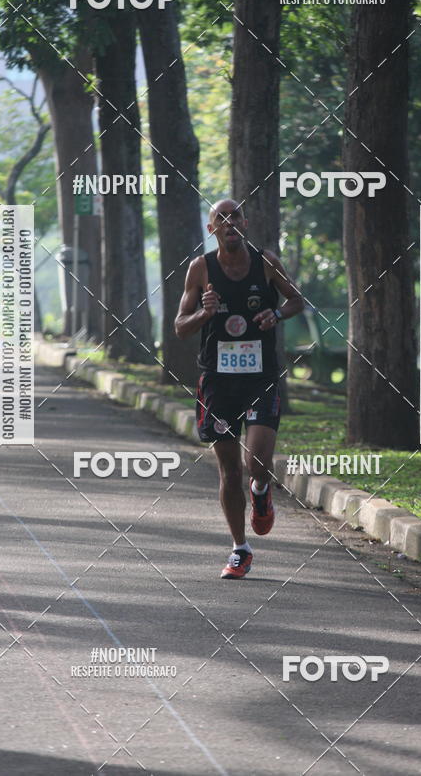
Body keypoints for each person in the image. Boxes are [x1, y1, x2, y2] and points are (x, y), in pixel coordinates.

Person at [175, 199, 304, 579]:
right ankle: (239, 549)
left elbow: (297, 299)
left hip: (260, 375)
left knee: (256, 463)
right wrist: (205, 312)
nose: (229, 223)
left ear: (245, 223)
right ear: (211, 228)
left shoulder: (266, 262)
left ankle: (261, 491)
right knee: (230, 470)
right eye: (221, 218)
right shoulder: (200, 269)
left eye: (235, 217)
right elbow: (181, 327)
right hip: (217, 380)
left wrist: (276, 313)